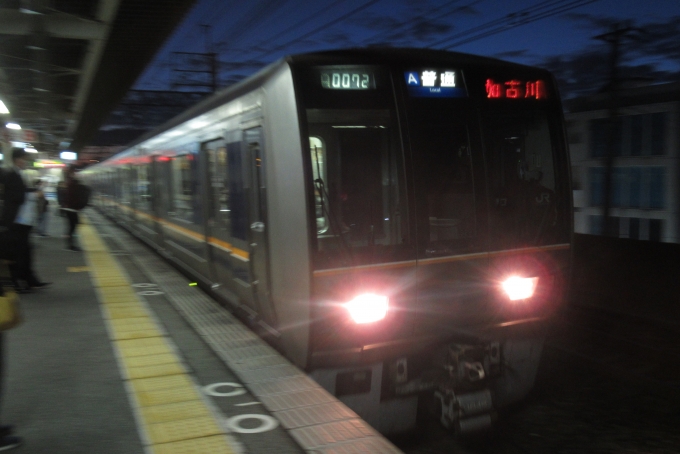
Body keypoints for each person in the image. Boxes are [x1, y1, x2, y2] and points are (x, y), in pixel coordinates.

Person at [1, 149, 50, 292]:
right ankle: (17, 282)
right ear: (18, 159)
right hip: (15, 222)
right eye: (24, 159)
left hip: (22, 222)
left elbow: (20, 193)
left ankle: (29, 280)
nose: (26, 161)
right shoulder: (12, 175)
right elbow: (17, 197)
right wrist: (35, 194)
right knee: (17, 254)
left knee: (26, 252)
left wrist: (32, 191)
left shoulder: (17, 174)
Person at [61, 165, 82, 251]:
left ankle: (71, 244)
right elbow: (73, 196)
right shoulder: (71, 182)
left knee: (72, 226)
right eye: (75, 171)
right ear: (72, 172)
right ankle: (71, 245)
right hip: (71, 208)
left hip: (70, 208)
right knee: (72, 226)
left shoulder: (69, 181)